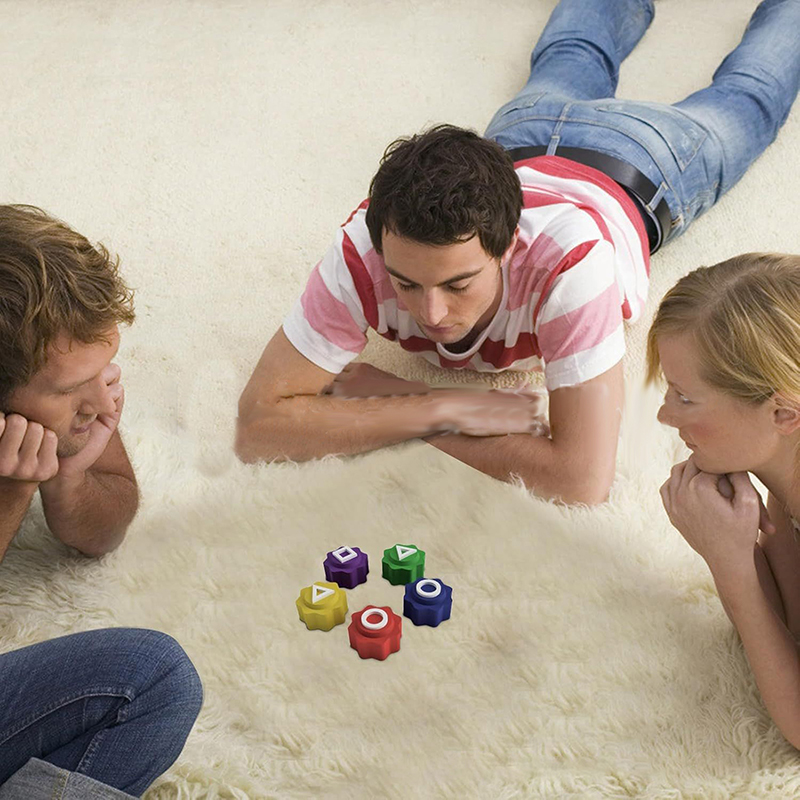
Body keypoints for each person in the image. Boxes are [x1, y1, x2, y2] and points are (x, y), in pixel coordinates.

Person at [236, 0, 800, 505]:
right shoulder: (363, 247)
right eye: (405, 283)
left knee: (750, 91)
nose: (430, 313)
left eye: (457, 284)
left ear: (509, 247)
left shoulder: (571, 267)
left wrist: (381, 405)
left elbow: (581, 481)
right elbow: (258, 427)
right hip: (522, 135)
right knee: (571, 49)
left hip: (644, 157)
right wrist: (441, 408)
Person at [0, 205, 202, 798]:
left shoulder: (64, 387)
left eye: (105, 365)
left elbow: (102, 532)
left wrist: (68, 475)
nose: (103, 401)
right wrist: (15, 489)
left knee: (157, 679)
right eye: (71, 389)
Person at [654, 252, 800, 750]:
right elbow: (791, 629)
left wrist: (730, 563)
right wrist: (737, 545)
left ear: (783, 413)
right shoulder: (787, 474)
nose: (664, 416)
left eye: (685, 397)